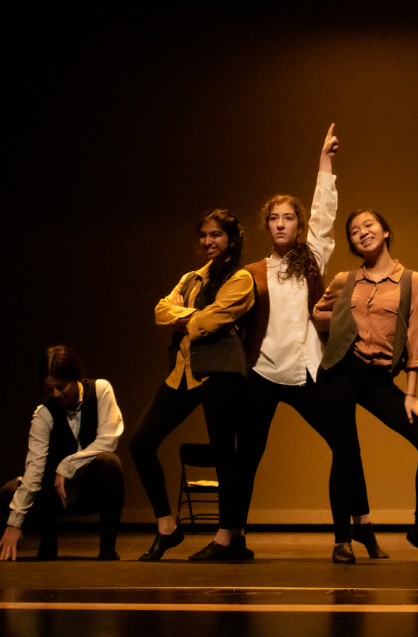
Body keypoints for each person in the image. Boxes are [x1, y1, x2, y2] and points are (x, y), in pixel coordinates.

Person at [235, 125, 385, 563]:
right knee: (249, 458)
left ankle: (364, 528)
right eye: (274, 218)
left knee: (345, 446)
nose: (281, 224)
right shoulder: (252, 271)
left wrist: (325, 163)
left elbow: (324, 214)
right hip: (263, 374)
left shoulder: (309, 260)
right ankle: (234, 535)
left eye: (288, 218)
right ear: (266, 226)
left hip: (306, 372)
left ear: (298, 225)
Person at [313, 209, 418, 563]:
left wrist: (411, 394)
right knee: (344, 453)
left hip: (378, 378)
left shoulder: (412, 281)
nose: (362, 233)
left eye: (369, 225)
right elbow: (317, 314)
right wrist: (344, 322)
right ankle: (343, 540)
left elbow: (415, 339)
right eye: (354, 231)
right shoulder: (346, 279)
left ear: (385, 230)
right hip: (340, 371)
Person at [129, 209, 254, 561]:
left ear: (231, 239)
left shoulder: (241, 279)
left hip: (222, 372)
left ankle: (226, 537)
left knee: (222, 455)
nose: (208, 241)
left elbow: (217, 319)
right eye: (203, 235)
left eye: (215, 235)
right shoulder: (191, 279)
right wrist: (194, 318)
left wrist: (191, 319)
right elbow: (160, 311)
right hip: (184, 371)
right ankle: (167, 526)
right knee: (141, 443)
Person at [1, 346, 124, 561]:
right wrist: (14, 524)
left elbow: (108, 439)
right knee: (9, 492)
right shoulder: (44, 414)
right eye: (50, 390)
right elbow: (34, 470)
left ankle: (107, 549)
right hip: (54, 498)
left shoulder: (101, 391)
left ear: (75, 376)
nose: (57, 394)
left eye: (61, 386)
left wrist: (68, 465)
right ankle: (48, 542)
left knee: (109, 462)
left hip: (89, 492)